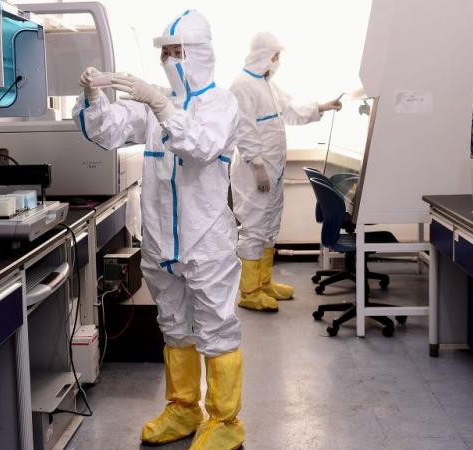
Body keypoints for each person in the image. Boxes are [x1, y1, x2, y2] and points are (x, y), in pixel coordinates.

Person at [73, 10, 244, 450]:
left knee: (217, 327)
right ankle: (184, 409)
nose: (170, 59)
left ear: (200, 54)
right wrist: (94, 97)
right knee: (173, 325)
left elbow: (202, 145)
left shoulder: (221, 103)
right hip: (160, 242)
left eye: (177, 51)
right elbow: (108, 131)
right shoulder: (155, 104)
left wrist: (162, 105)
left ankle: (225, 422)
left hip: (206, 241)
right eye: (166, 52)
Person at [230, 31, 342, 312]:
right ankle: (249, 291)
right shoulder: (242, 85)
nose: (277, 61)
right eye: (275, 56)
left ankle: (264, 283)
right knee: (254, 227)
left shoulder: (268, 84)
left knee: (269, 226)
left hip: (273, 170)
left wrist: (322, 107)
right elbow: (244, 129)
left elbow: (291, 111)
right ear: (262, 54)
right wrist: (257, 166)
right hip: (254, 172)